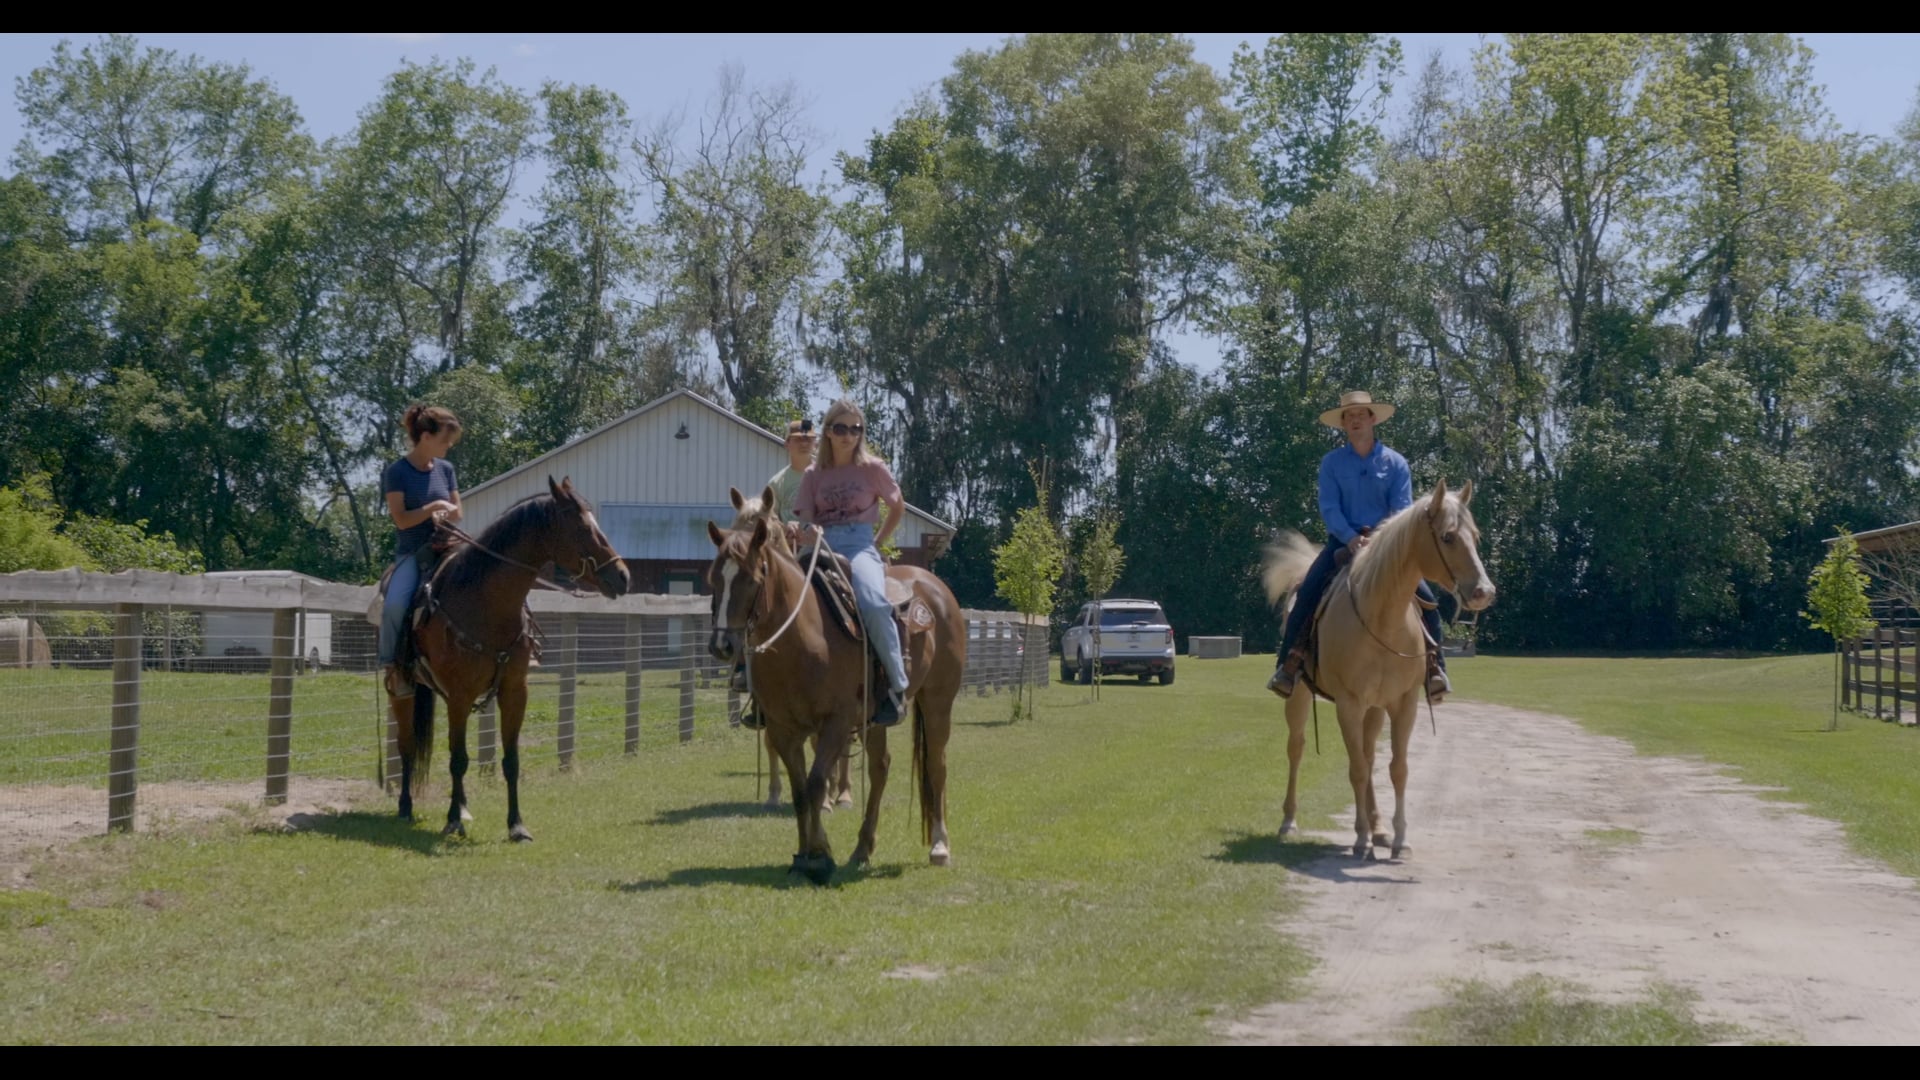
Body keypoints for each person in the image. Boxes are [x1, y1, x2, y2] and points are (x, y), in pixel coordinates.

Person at [1268, 390, 1451, 702]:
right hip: (1341, 543)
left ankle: (1435, 670)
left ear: (1372, 419)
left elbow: (1402, 510)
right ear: (1343, 424)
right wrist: (1351, 538)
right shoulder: (1331, 463)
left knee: (1428, 602)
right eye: (1349, 416)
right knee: (1307, 595)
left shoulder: (1396, 463)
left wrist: (1378, 541)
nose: (1355, 420)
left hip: (1388, 549)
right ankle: (1289, 666)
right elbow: (1329, 507)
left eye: (1360, 415)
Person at [792, 400, 910, 727]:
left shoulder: (873, 468)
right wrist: (808, 530)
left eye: (855, 429)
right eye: (841, 428)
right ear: (828, 432)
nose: (848, 435)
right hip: (820, 546)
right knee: (774, 595)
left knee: (873, 603)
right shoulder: (813, 475)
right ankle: (757, 684)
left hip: (859, 546)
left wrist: (878, 542)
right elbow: (805, 519)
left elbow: (897, 506)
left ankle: (896, 685)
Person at [733, 419, 818, 708]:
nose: (804, 442)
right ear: (787, 443)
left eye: (809, 438)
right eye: (798, 438)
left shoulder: (825, 475)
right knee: (757, 603)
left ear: (815, 443)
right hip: (788, 555)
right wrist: (785, 526)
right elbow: (769, 520)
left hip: (822, 550)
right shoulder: (777, 483)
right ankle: (749, 672)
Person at [379, 404, 463, 696]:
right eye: (445, 439)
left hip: (447, 548)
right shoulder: (397, 472)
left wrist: (444, 512)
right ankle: (391, 665)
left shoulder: (446, 470)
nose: (449, 445)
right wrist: (432, 508)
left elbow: (458, 512)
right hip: (412, 553)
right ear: (426, 437)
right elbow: (401, 520)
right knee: (395, 605)